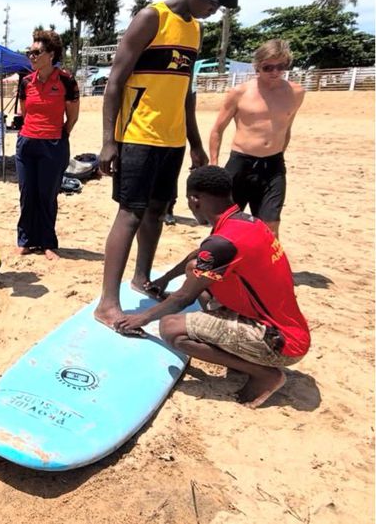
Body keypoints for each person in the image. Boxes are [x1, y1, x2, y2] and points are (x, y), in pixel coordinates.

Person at [95, 0, 250, 331]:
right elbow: (115, 81)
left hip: (172, 140)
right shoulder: (152, 18)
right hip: (136, 135)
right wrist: (108, 141)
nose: (214, 11)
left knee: (156, 210)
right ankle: (107, 303)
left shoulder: (194, 30)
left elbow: (186, 93)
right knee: (130, 213)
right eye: (214, 3)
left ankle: (141, 278)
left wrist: (194, 142)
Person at [114, 166, 310, 409]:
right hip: (286, 325)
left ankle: (264, 374)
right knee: (194, 269)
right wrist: (164, 279)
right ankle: (241, 351)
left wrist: (141, 318)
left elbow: (184, 298)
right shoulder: (245, 222)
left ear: (195, 200)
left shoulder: (222, 243)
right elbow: (197, 257)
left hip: (280, 343)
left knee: (171, 328)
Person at [209, 39, 304, 237]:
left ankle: (264, 259)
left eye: (281, 67)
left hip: (273, 166)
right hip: (241, 164)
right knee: (226, 223)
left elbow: (286, 129)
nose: (275, 72)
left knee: (270, 227)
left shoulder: (296, 93)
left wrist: (277, 155)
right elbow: (218, 129)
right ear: (257, 66)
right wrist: (214, 164)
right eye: (268, 67)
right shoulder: (239, 92)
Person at [15, 29, 80, 260]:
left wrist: (60, 135)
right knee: (27, 193)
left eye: (36, 52)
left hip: (53, 144)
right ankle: (25, 240)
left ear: (51, 54)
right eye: (30, 52)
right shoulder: (26, 82)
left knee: (47, 195)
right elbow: (25, 112)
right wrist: (32, 132)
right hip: (27, 143)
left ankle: (47, 243)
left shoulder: (66, 81)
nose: (31, 57)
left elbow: (72, 116)